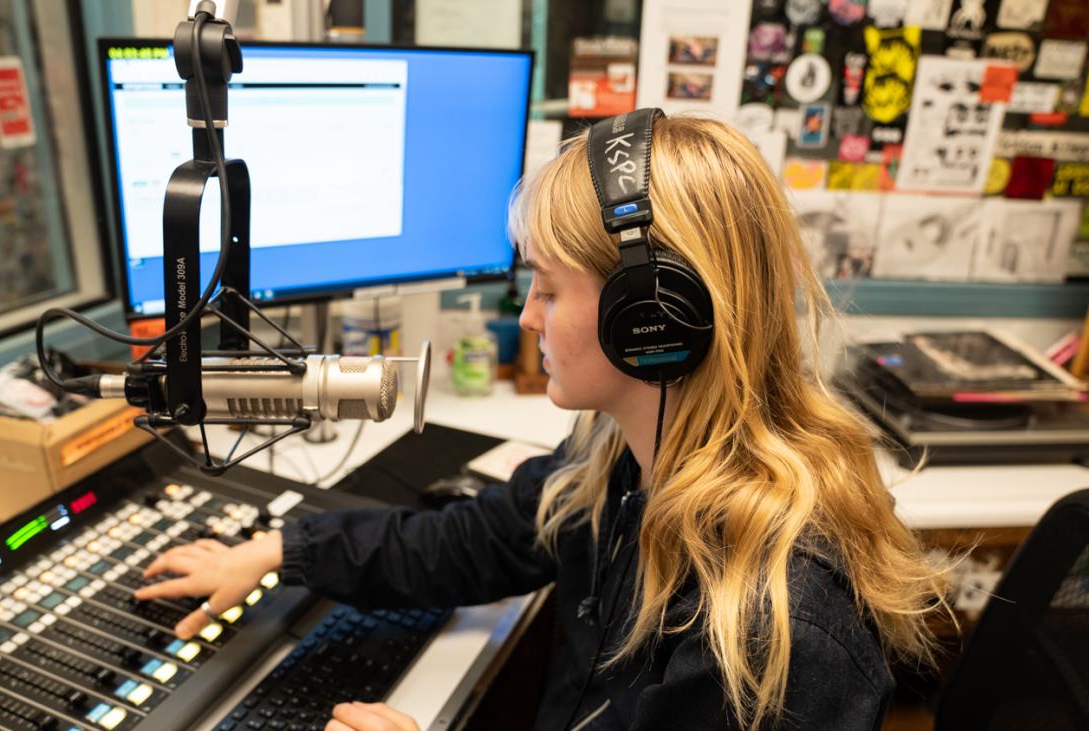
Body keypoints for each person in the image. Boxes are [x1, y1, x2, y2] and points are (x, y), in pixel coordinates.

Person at [135, 112, 949, 730]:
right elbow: (476, 538)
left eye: (550, 289)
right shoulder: (626, 457)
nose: (526, 319)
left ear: (654, 319)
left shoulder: (775, 635)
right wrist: (283, 550)